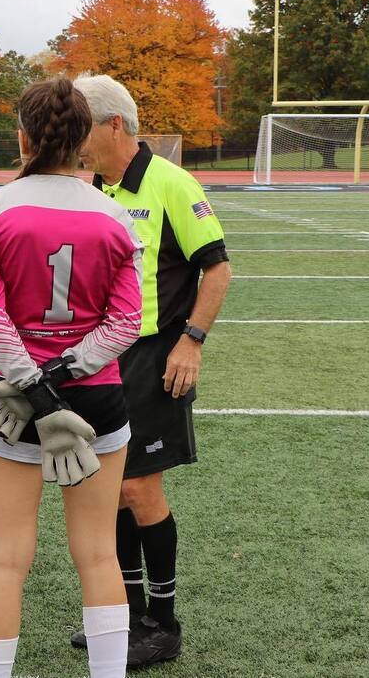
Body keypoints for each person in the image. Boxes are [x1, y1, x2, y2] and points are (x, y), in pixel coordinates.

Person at [0, 77, 144, 678]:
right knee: (98, 554)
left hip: (8, 398)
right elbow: (125, 322)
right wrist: (65, 374)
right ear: (82, 140)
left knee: (7, 557)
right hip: (94, 396)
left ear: (22, 137)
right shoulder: (116, 216)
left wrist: (34, 385)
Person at [67, 73, 232, 668]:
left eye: (82, 126)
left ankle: (163, 624)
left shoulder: (169, 180)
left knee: (138, 488)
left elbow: (216, 269)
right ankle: (125, 618)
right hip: (103, 356)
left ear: (115, 124)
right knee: (109, 493)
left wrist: (191, 342)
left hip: (155, 355)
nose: (75, 140)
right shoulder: (98, 188)